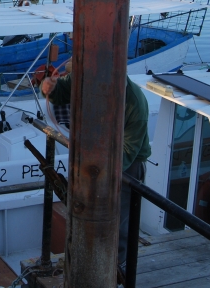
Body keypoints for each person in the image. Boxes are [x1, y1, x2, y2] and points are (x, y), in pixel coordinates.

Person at [40, 63, 152, 276]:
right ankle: (88, 261)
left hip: (128, 166)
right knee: (86, 209)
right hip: (95, 157)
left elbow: (128, 150)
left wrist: (98, 171)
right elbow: (61, 91)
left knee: (121, 218)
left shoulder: (135, 103)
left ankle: (118, 268)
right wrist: (49, 87)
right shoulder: (88, 78)